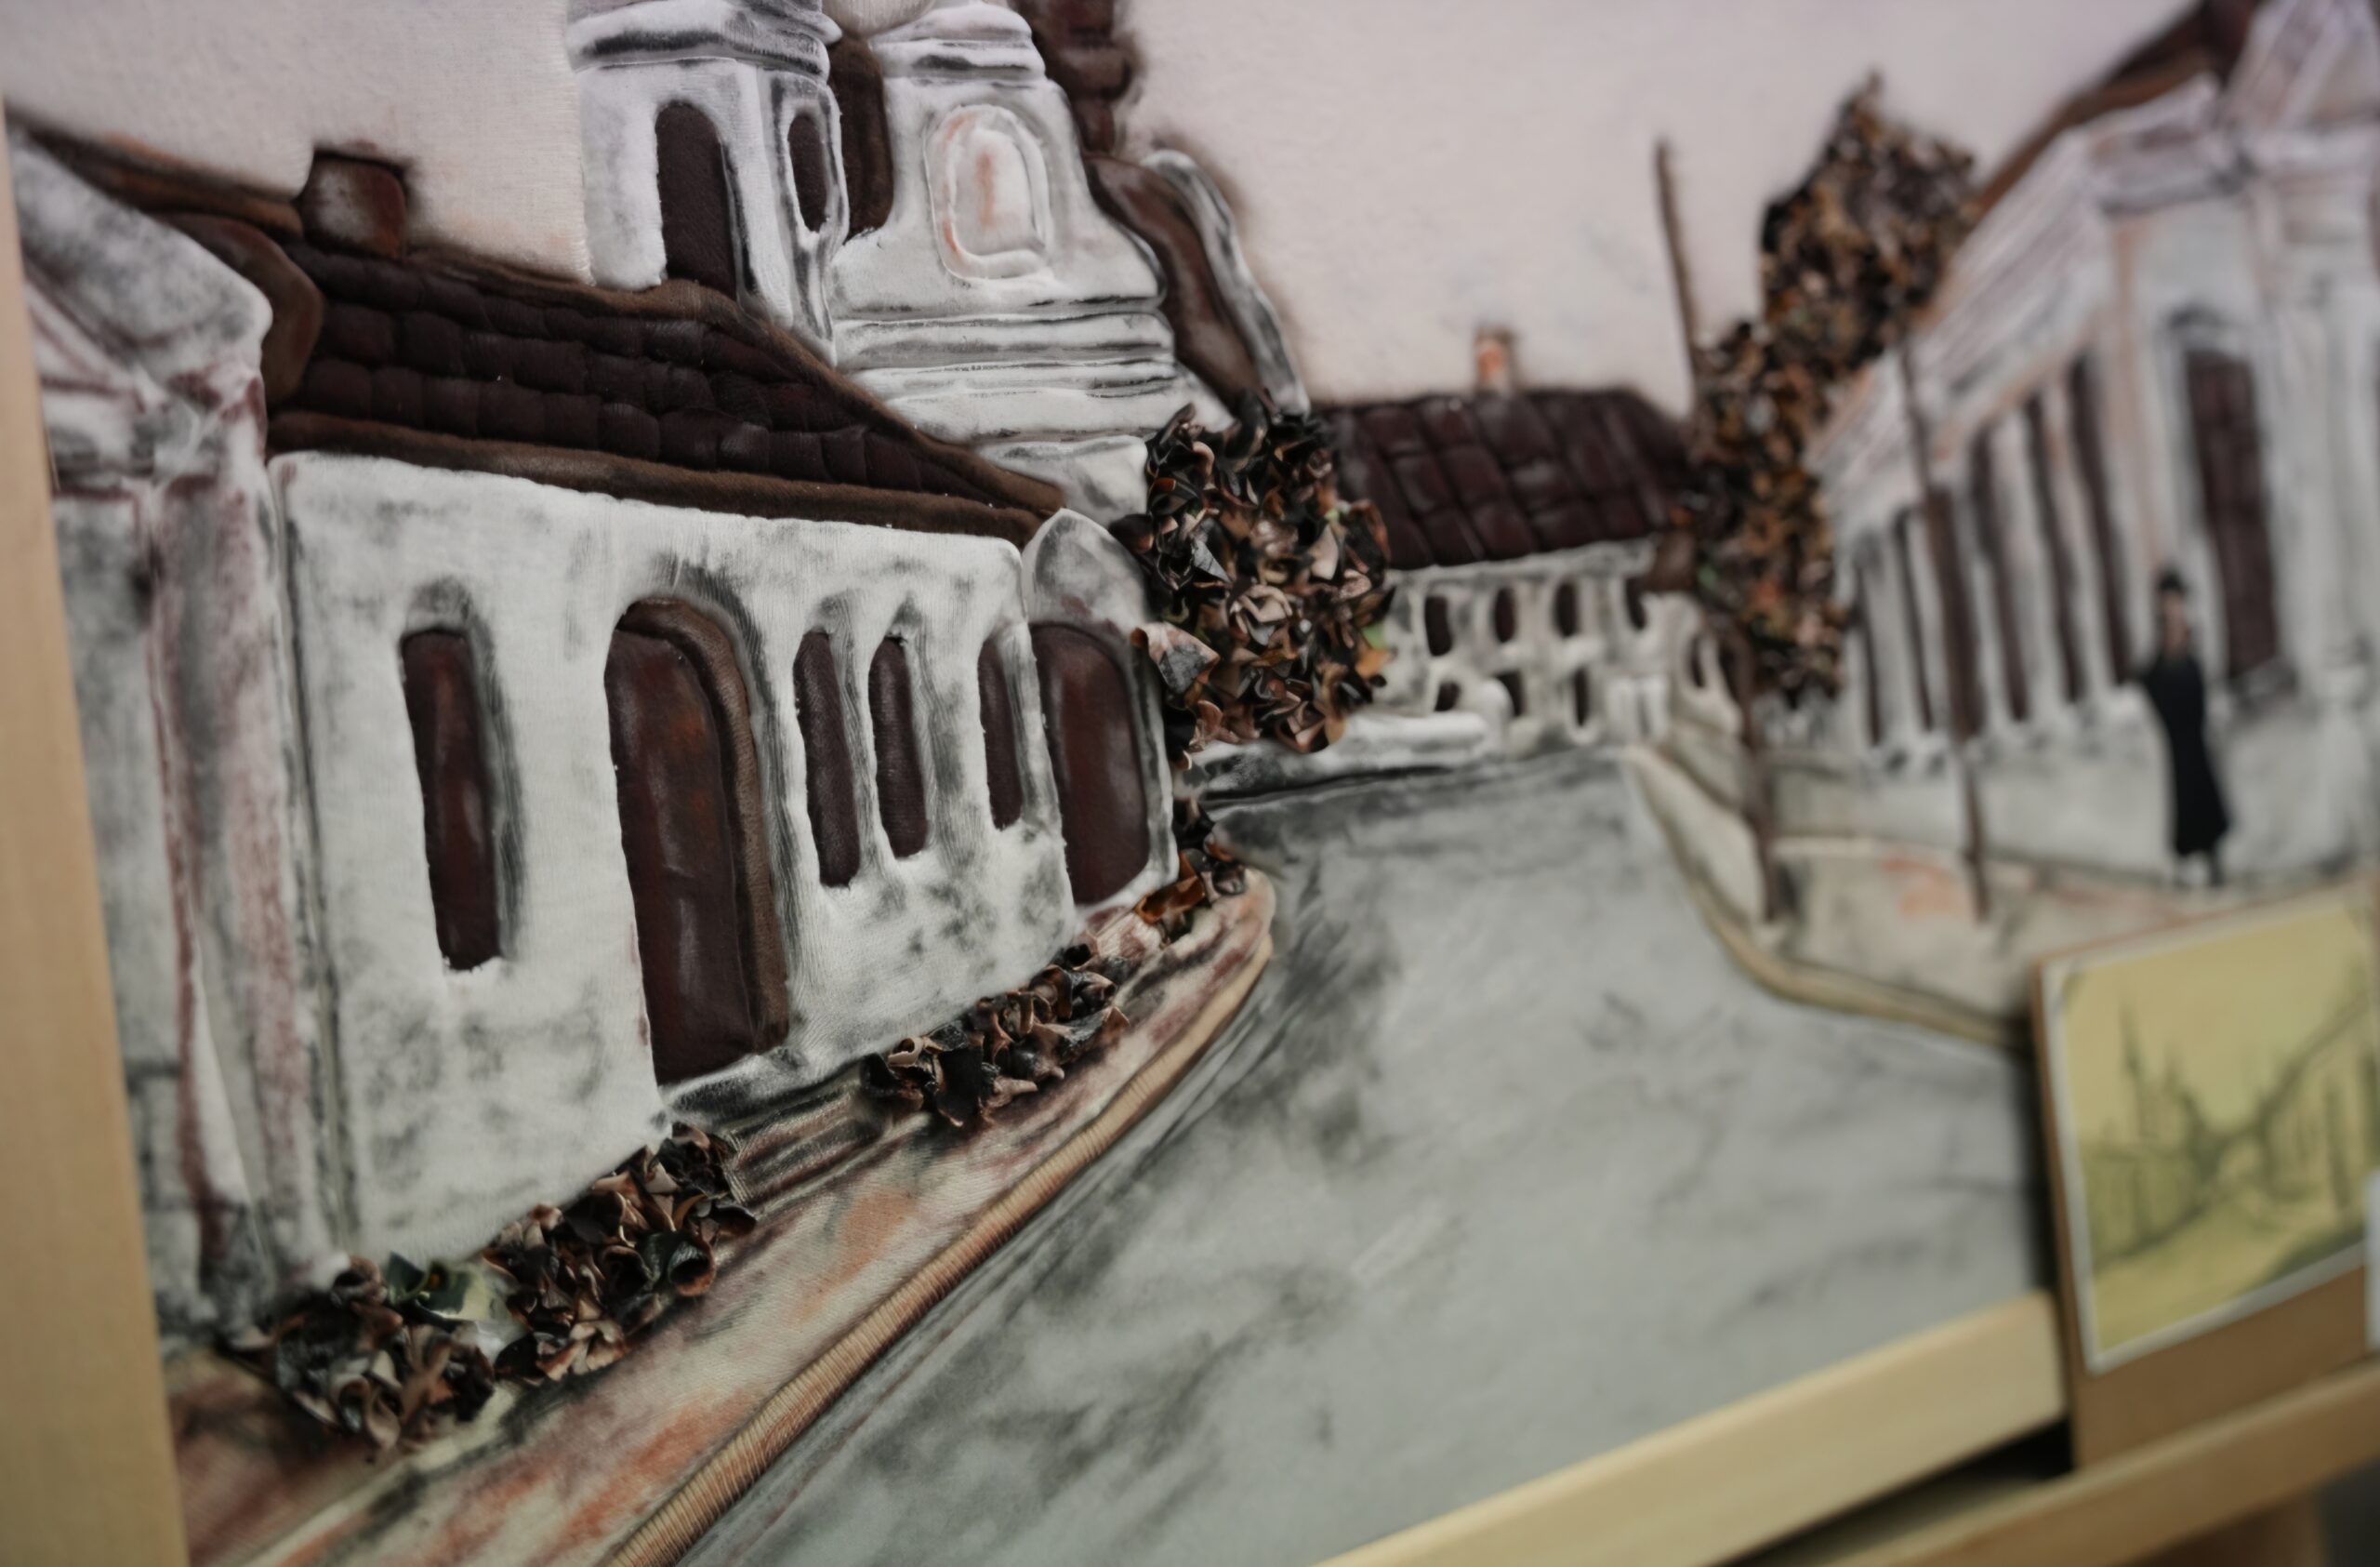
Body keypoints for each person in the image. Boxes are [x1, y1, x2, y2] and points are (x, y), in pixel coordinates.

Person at [2137, 568, 2230, 886]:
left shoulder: (2191, 637)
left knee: (2203, 793)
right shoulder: (2160, 645)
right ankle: (2185, 864)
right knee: (2183, 797)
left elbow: (2199, 676)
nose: (2173, 607)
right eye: (2168, 601)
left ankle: (2213, 860)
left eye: (2176, 600)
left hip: (2195, 732)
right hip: (2176, 736)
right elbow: (2150, 676)